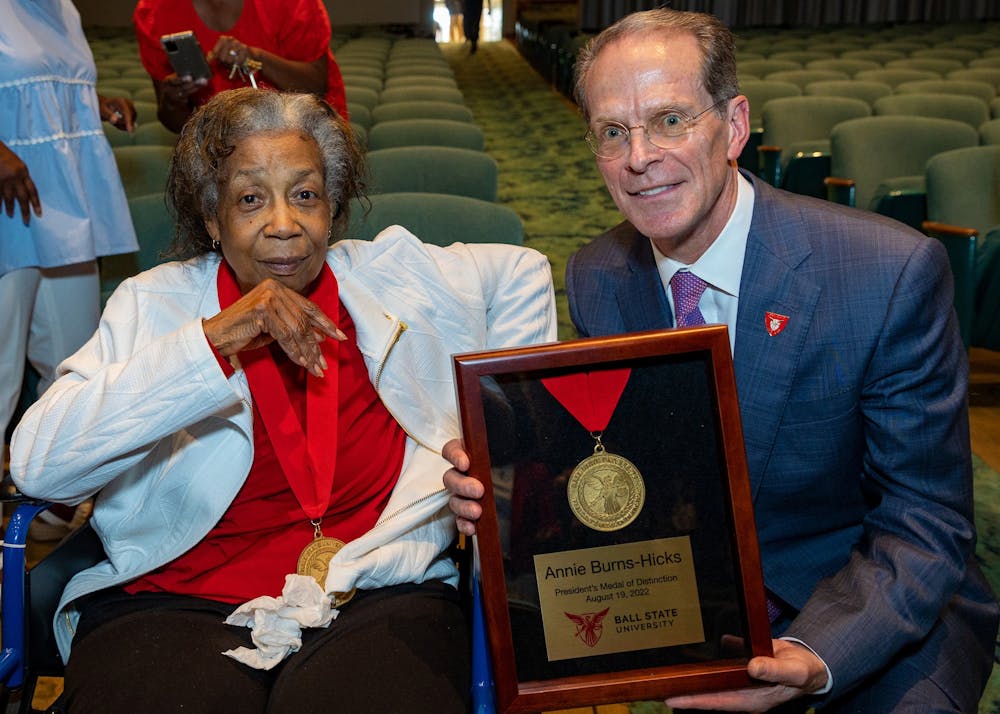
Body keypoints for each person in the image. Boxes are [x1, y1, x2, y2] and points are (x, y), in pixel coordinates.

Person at [445, 8, 999, 712]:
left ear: (734, 126)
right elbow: (618, 461)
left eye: (671, 120)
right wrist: (500, 490)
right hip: (697, 606)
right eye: (613, 132)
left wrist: (813, 655)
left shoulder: (886, 272)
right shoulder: (598, 276)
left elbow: (925, 522)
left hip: (877, 600)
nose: (638, 155)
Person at [10, 87, 556, 712]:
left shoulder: (387, 275)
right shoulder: (151, 304)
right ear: (212, 221)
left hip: (374, 585)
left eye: (305, 195)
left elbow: (525, 272)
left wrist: (494, 438)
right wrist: (214, 342)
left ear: (332, 209)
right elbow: (39, 464)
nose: (284, 224)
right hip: (177, 596)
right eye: (250, 200)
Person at [1, 0, 137, 497]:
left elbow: (35, 86)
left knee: (73, 367)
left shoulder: (65, 9)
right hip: (8, 208)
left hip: (63, 203)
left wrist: (91, 101)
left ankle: (46, 505)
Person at [133, 0, 349, 133]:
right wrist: (173, 101)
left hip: (305, 130)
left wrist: (256, 58)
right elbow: (174, 122)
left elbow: (317, 84)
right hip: (225, 148)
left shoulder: (290, 4)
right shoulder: (154, 12)